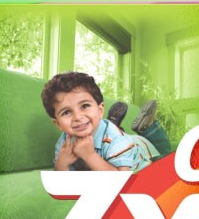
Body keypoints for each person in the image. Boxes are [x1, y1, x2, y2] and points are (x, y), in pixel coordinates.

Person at [40, 71, 170, 172]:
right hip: (114, 144)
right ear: (58, 124)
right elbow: (61, 182)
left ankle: (148, 127)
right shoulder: (64, 144)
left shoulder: (117, 140)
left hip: (142, 150)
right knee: (111, 143)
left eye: (85, 106)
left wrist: (89, 156)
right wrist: (62, 163)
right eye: (66, 112)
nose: (77, 117)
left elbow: (123, 181)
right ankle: (114, 125)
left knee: (165, 155)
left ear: (100, 110)